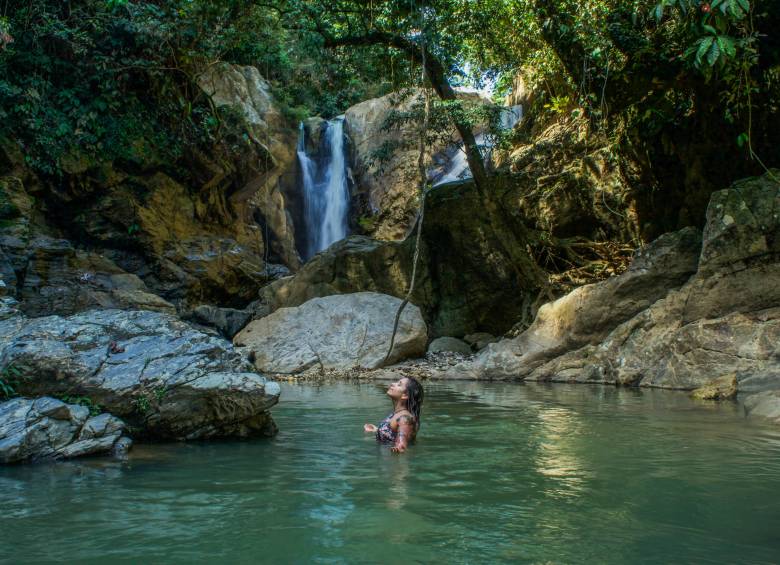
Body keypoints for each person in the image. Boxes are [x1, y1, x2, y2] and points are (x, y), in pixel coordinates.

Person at [364, 377, 424, 453]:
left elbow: (401, 447)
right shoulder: (397, 414)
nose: (392, 384)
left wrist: (399, 447)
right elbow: (392, 435)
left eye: (399, 385)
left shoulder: (404, 419)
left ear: (405, 395)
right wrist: (376, 430)